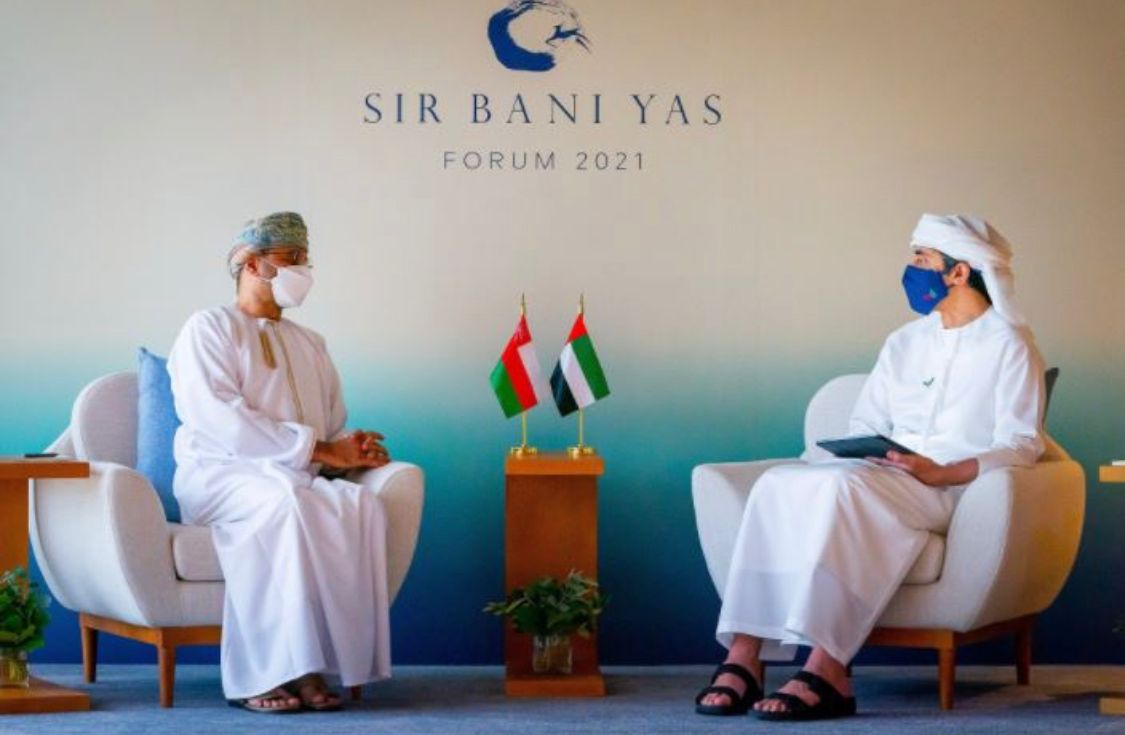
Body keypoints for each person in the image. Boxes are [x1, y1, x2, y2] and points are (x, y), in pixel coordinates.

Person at [695, 214, 1045, 721]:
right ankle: (744, 657)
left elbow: (1022, 444)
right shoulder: (904, 342)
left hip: (950, 489)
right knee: (777, 483)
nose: (911, 268)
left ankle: (829, 668)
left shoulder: (1010, 345)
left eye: (922, 258)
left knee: (847, 490)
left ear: (958, 272)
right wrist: (872, 450)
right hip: (884, 476)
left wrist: (941, 472)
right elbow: (866, 421)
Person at [168, 212, 394, 714]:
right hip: (219, 476)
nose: (302, 271)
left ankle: (315, 664)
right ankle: (264, 673)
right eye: (290, 259)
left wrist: (348, 451)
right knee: (286, 502)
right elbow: (218, 417)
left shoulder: (310, 342)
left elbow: (330, 422)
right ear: (252, 264)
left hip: (293, 474)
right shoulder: (209, 328)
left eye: (305, 260)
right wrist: (321, 450)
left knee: (358, 506)